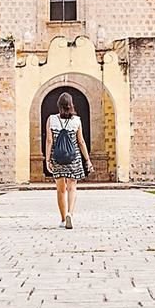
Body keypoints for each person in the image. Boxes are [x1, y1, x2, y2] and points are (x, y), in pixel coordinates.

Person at [45, 92, 93, 229]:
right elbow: (81, 141)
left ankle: (62, 219)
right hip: (74, 158)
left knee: (61, 189)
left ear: (59, 106)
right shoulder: (76, 120)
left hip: (58, 158)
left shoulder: (51, 119)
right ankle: (70, 214)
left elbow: (49, 140)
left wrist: (48, 160)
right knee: (72, 188)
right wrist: (87, 160)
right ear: (71, 105)